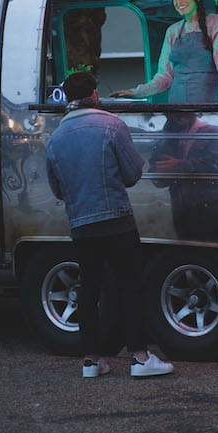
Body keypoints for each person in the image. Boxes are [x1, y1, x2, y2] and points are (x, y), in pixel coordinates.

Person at [45, 71, 175, 379]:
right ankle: (140, 358)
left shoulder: (56, 138)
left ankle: (92, 361)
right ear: (94, 94)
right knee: (130, 286)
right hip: (117, 221)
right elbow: (131, 174)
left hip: (81, 224)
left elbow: (57, 190)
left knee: (88, 289)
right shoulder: (112, 126)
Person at [111, 0, 218, 103]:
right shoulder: (172, 31)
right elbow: (164, 77)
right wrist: (136, 92)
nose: (179, 1)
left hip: (208, 101)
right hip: (177, 103)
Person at [150, 111, 218, 242]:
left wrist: (178, 166)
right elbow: (156, 168)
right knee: (187, 248)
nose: (176, 118)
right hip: (181, 204)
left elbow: (217, 166)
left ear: (192, 113)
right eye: (170, 115)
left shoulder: (212, 131)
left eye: (180, 114)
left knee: (215, 249)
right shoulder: (169, 136)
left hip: (211, 204)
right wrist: (160, 171)